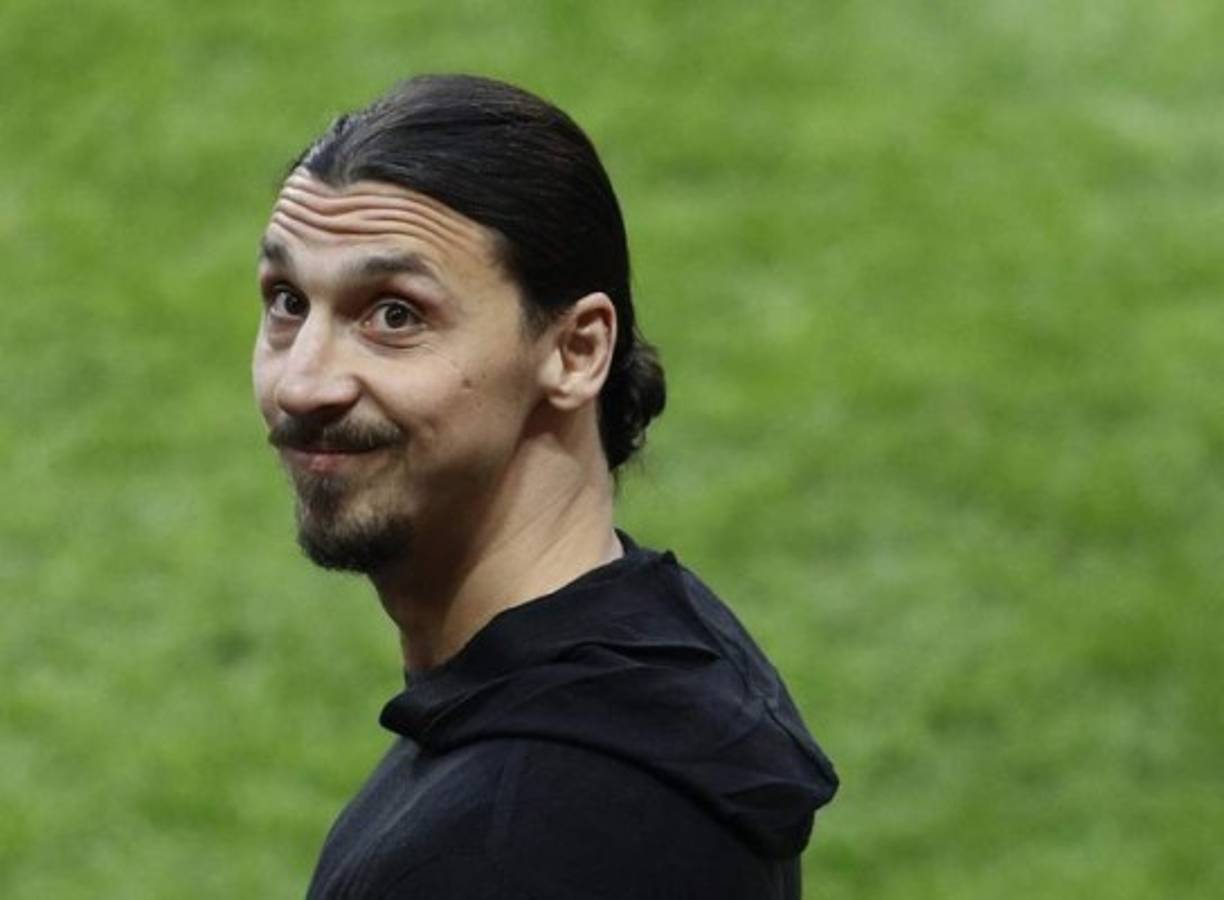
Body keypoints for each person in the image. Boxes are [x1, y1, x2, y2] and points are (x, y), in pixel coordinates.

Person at [253, 73, 838, 899]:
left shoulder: (513, 845)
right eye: (286, 302)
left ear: (576, 351)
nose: (302, 383)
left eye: (395, 315)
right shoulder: (653, 656)